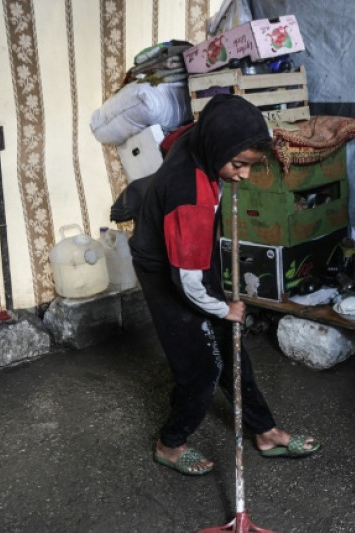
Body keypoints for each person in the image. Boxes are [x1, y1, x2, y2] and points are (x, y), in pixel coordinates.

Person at [128, 94, 320, 475]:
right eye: (238, 165)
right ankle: (171, 443)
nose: (244, 175)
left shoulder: (200, 137)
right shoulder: (190, 196)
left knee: (229, 344)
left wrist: (223, 314)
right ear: (216, 148)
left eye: (249, 165)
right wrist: (224, 307)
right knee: (202, 368)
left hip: (189, 251)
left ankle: (265, 431)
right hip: (165, 267)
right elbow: (188, 284)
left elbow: (170, 147)